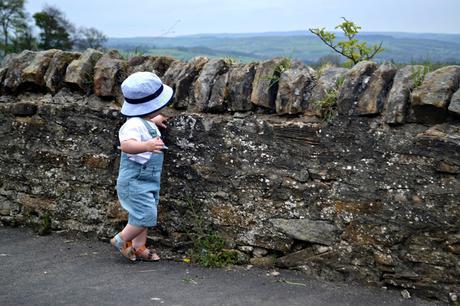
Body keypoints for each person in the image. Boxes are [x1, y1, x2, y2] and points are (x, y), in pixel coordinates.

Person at [110, 71, 173, 261]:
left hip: (148, 179)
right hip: (134, 180)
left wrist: (156, 120)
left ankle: (139, 247)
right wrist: (146, 146)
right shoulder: (132, 126)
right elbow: (126, 146)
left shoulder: (143, 121)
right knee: (146, 214)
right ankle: (121, 240)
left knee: (140, 213)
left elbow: (144, 123)